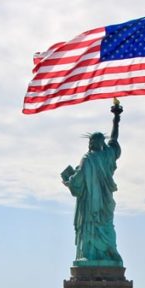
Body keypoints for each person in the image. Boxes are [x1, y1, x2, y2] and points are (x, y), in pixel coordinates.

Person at [60, 101, 124, 266]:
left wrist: (68, 182)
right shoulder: (107, 156)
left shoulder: (88, 159)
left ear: (91, 144)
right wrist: (116, 118)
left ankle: (93, 255)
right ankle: (108, 254)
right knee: (106, 226)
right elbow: (114, 138)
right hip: (103, 202)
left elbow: (77, 180)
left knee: (96, 226)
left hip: (91, 205)